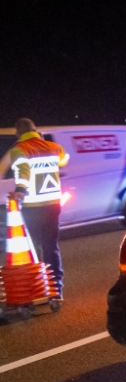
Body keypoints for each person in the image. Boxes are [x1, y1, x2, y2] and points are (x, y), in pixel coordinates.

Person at [0, 119, 70, 299]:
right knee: (51, 247)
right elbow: (64, 159)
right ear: (36, 130)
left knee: (33, 248)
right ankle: (56, 290)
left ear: (17, 134)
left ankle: (38, 289)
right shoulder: (54, 147)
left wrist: (20, 191)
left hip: (32, 207)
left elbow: (22, 172)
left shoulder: (19, 149)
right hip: (53, 205)